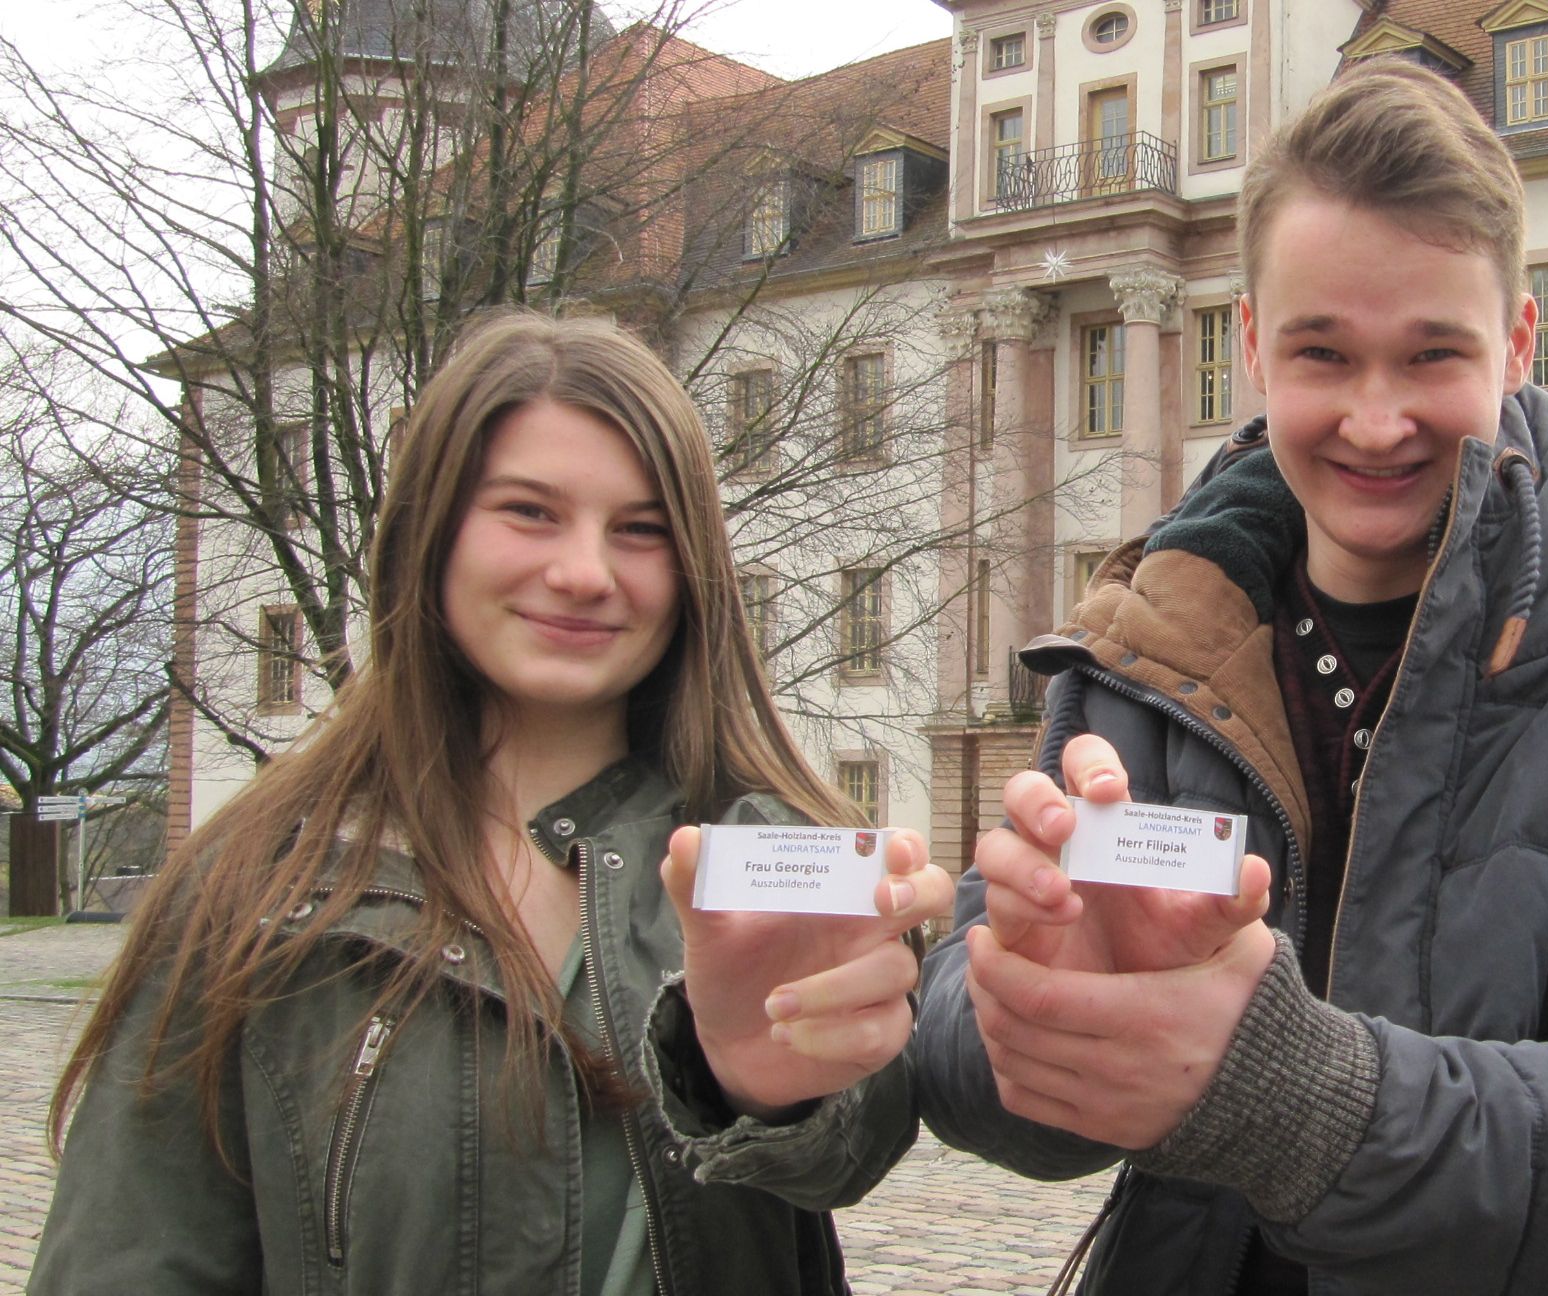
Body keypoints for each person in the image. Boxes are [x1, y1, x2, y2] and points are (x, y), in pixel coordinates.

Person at [910, 60, 1548, 1295]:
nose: (1373, 420)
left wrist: (1300, 1100)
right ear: (1249, 343)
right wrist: (1031, 995)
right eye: (1321, 353)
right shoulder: (1144, 647)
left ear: (1519, 342)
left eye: (1429, 356)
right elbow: (973, 1086)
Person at [35, 311, 951, 1293]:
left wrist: (760, 1089)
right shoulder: (261, 885)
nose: (585, 573)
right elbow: (130, 1256)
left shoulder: (771, 855)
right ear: (431, 532)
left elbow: (854, 1145)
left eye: (640, 530)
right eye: (529, 512)